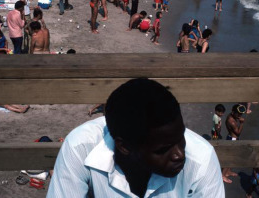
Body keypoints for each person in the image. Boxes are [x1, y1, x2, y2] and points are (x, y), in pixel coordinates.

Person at [47, 78, 225, 197]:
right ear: (124, 147)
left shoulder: (202, 159)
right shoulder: (81, 147)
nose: (179, 154)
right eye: (163, 149)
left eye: (181, 138)